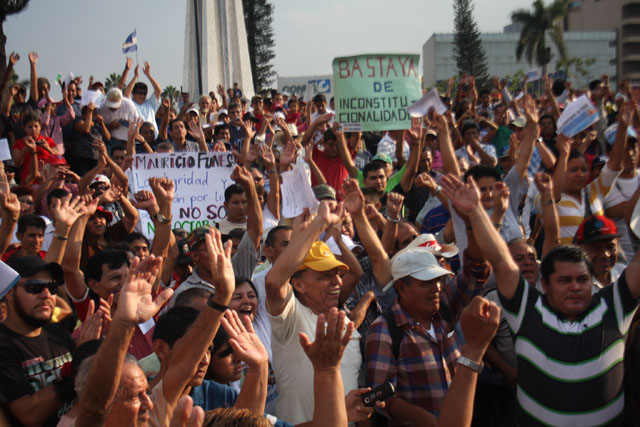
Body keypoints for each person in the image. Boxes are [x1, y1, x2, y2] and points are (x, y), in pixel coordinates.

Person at [441, 171, 640, 426]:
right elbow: (502, 261)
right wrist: (475, 212)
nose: (576, 287)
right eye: (565, 281)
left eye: (582, 279)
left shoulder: (614, 305)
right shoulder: (528, 311)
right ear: (544, 284)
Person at [265, 201, 363, 424]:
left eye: (337, 273)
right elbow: (274, 282)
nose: (337, 281)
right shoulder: (289, 318)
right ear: (298, 285)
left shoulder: (345, 325)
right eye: (325, 276)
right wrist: (319, 224)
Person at [0, 257, 74, 426]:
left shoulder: (58, 334)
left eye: (52, 287)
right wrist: (77, 371)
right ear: (9, 292)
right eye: (35, 287)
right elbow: (30, 414)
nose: (46, 295)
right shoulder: (3, 346)